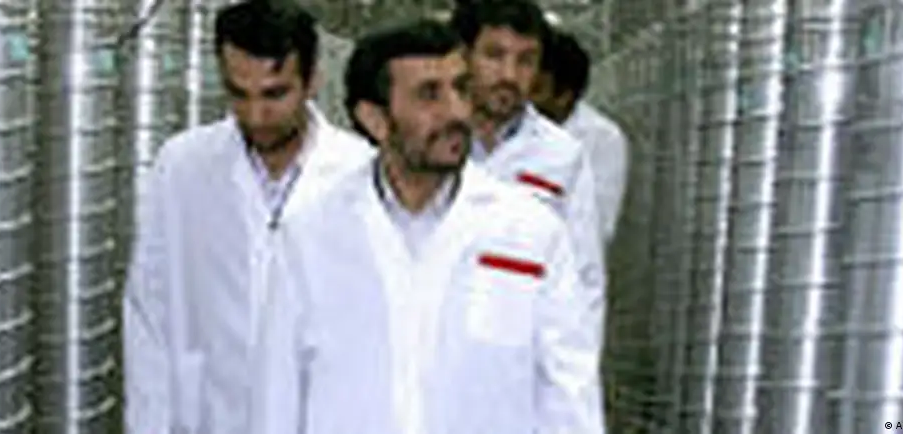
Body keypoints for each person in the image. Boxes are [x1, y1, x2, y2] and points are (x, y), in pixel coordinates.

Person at [255, 19, 606, 434]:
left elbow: (569, 397)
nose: (456, 112)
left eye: (461, 89)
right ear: (375, 120)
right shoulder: (310, 237)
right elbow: (276, 402)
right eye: (429, 95)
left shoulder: (530, 232)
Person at [121, 1, 374, 432]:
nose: (256, 116)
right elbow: (150, 311)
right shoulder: (182, 166)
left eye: (275, 94)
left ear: (312, 80)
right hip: (213, 417)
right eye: (238, 94)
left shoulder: (361, 175)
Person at [449, 0, 607, 338]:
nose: (509, 75)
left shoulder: (562, 157)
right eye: (494, 55)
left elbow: (583, 279)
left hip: (518, 349)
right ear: (462, 56)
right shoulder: (425, 139)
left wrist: (572, 365)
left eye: (525, 60)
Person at [532, 29, 628, 243]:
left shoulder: (602, 139)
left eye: (537, 90)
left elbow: (598, 225)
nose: (528, 99)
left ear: (564, 96)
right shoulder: (513, 127)